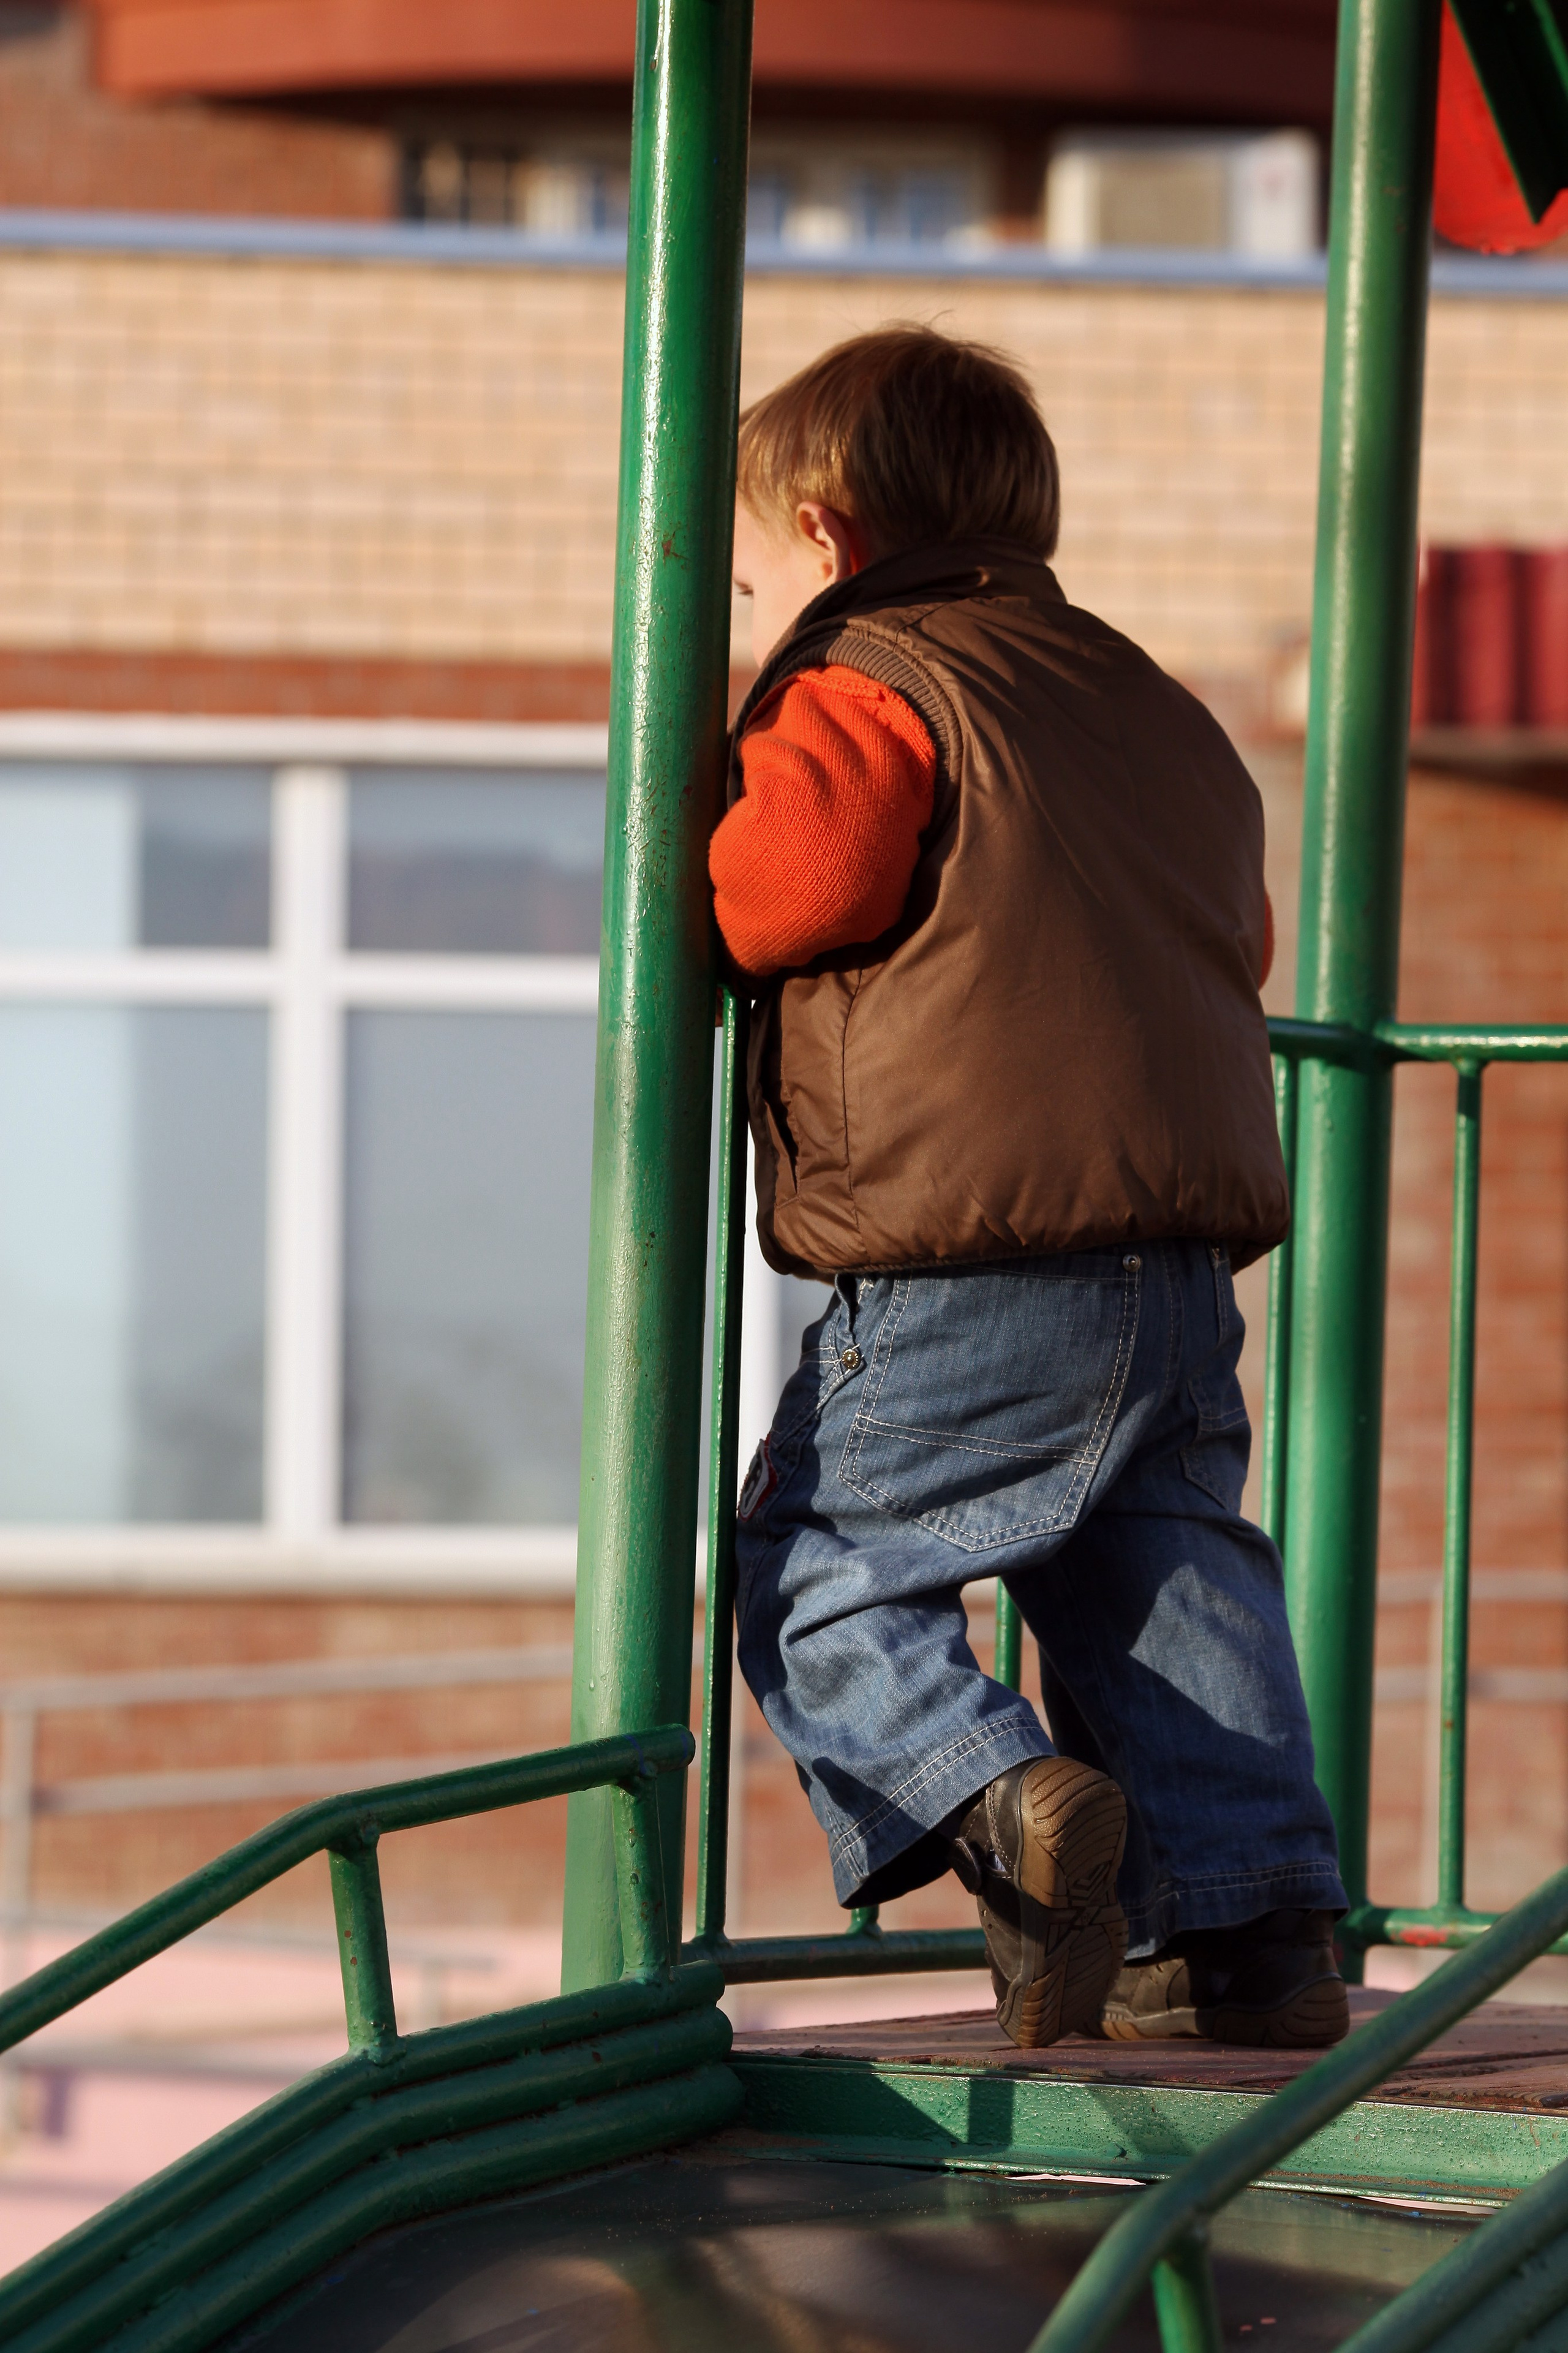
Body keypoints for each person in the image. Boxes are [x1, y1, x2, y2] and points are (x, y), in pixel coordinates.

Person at [710, 324, 1348, 2052]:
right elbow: (1233, 922)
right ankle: (1255, 1929)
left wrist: (718, 786)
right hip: (1174, 1253)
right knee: (1161, 1575)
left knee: (819, 1559)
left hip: (967, 1248)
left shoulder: (864, 675)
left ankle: (998, 1790)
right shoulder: (1142, 695)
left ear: (830, 540)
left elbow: (787, 890)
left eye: (748, 578)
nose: (745, 620)